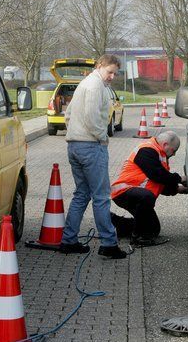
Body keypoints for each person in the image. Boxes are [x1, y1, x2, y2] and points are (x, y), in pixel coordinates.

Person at [58, 54, 127, 259]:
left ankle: (68, 240)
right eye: (110, 72)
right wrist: (101, 136)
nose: (112, 76)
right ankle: (108, 244)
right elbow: (91, 117)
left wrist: (74, 133)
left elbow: (68, 114)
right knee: (101, 197)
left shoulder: (85, 83)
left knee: (81, 194)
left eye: (115, 73)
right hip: (91, 147)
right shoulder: (96, 86)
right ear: (100, 66)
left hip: (74, 146)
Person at [110, 131, 187, 247]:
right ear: (165, 145)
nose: (174, 154)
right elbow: (157, 174)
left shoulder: (159, 154)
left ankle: (116, 222)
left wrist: (178, 189)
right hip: (124, 192)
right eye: (174, 150)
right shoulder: (147, 150)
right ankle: (137, 237)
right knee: (147, 197)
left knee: (153, 229)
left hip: (137, 194)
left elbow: (159, 183)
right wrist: (180, 179)